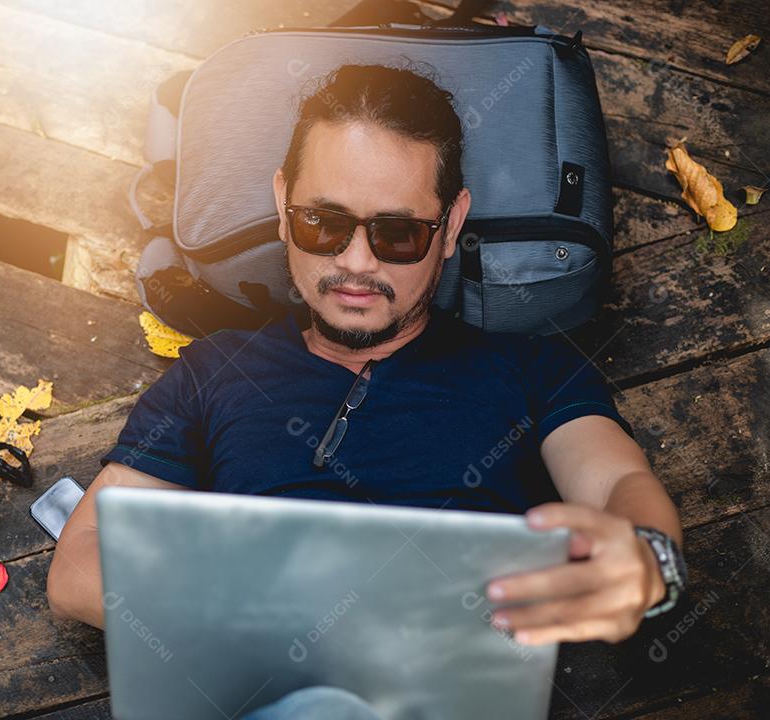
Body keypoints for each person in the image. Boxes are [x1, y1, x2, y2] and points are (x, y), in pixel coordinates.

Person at [46, 63, 683, 718]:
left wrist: (646, 559)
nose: (355, 261)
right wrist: (275, 618)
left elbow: (613, 484)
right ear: (281, 204)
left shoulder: (532, 367)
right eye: (323, 222)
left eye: (398, 232)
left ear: (453, 223)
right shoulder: (215, 371)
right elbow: (80, 564)